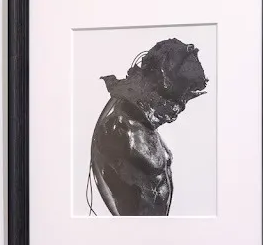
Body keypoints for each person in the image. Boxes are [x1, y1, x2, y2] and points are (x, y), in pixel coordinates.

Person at [88, 38, 208, 216]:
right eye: (173, 102)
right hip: (136, 232)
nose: (176, 111)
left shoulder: (143, 124)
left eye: (181, 103)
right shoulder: (118, 128)